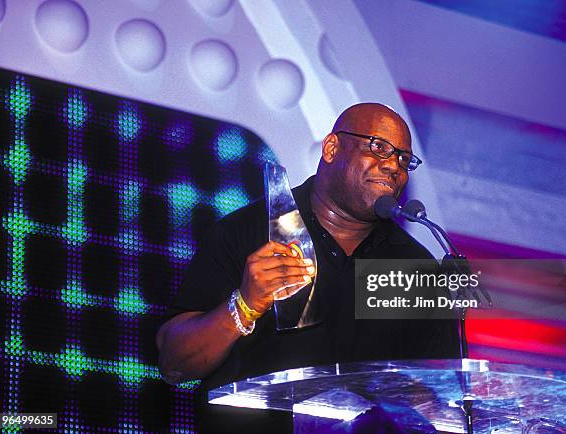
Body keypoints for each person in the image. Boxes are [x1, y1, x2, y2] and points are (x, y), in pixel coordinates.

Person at [156, 103, 460, 432]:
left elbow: (437, 394)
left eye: (403, 159)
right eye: (379, 147)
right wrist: (243, 306)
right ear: (331, 148)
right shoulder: (249, 230)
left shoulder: (416, 269)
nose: (394, 168)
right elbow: (175, 363)